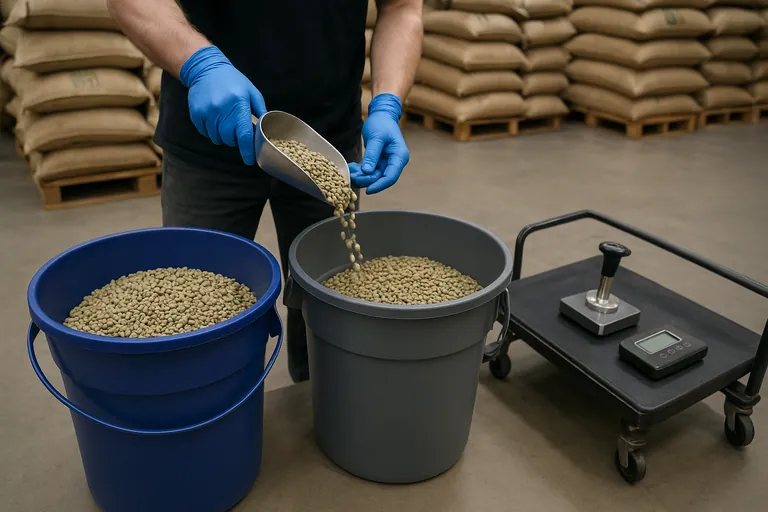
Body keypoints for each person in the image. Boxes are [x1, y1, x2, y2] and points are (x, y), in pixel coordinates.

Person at [108, 0, 423, 382]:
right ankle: (211, 413)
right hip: (209, 138)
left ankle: (326, 409)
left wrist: (387, 103)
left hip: (326, 147)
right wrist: (199, 63)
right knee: (198, 309)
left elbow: (402, 8)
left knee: (326, 310)